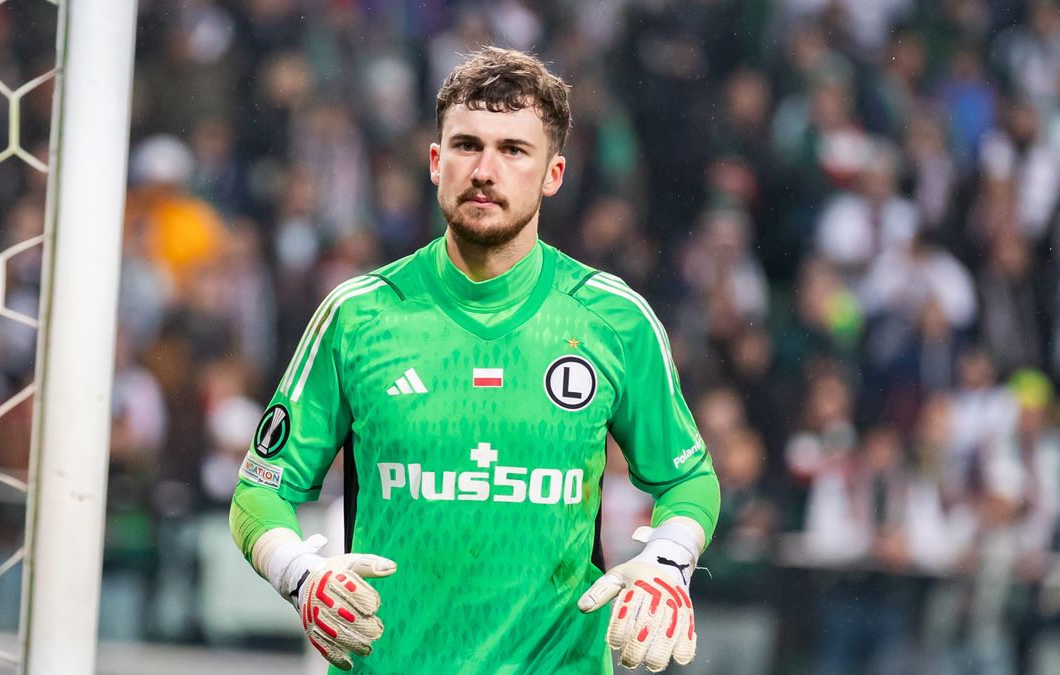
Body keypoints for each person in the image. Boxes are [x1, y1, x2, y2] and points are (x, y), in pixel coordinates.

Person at [229, 47, 720, 674]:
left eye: (514, 150)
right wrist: (300, 576)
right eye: (466, 145)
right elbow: (259, 491)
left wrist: (668, 562)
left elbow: (687, 478)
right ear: (436, 163)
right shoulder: (358, 316)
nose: (485, 169)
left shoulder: (612, 319)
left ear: (554, 174)